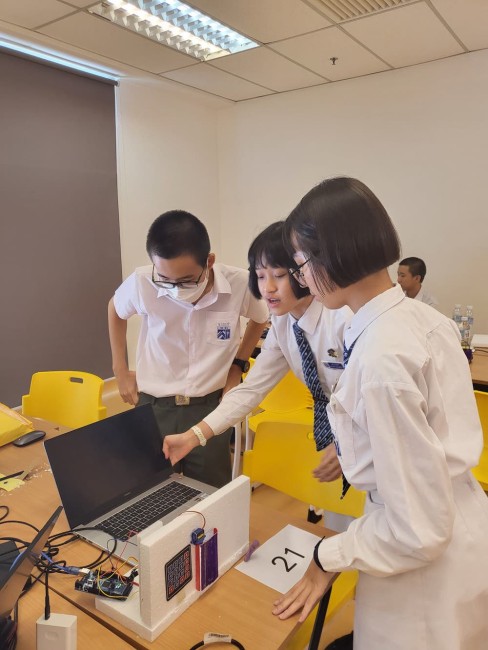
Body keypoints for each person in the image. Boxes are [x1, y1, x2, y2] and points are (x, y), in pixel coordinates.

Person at [272, 177, 488, 650]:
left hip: (423, 561)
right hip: (461, 522)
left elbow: (418, 531)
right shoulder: (420, 319)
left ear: (333, 255)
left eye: (301, 265)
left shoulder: (380, 360)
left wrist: (329, 555)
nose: (301, 279)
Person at [162, 221, 353, 529]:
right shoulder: (283, 324)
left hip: (374, 438)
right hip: (338, 438)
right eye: (261, 276)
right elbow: (251, 390)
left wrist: (348, 441)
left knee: (375, 528)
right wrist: (193, 436)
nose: (268, 288)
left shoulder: (343, 319)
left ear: (304, 271)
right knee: (340, 529)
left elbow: (371, 395)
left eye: (279, 275)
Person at [108, 210, 268, 488]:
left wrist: (237, 366)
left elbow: (260, 317)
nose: (176, 289)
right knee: (151, 493)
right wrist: (119, 370)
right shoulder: (143, 281)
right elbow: (115, 308)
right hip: (154, 406)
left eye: (186, 280)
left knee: (209, 495)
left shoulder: (240, 283)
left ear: (209, 261)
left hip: (209, 408)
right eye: (165, 279)